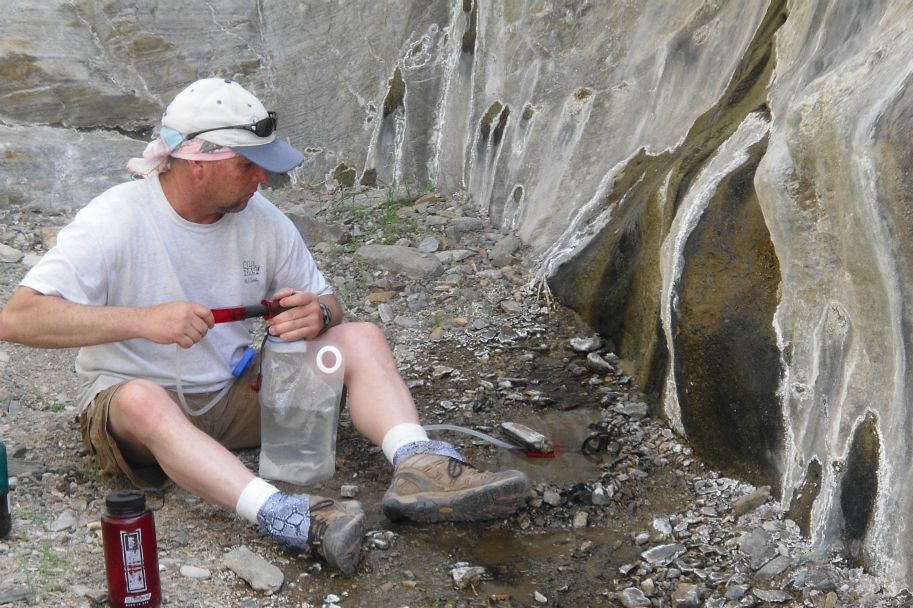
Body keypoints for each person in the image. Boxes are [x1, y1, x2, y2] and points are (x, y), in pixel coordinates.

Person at [0, 77, 531, 576]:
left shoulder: (263, 221)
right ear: (197, 161)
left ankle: (422, 467)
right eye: (248, 165)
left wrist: (320, 312)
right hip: (131, 415)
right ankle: (282, 514)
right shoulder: (114, 220)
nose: (264, 178)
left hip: (233, 396)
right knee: (143, 398)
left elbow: (328, 300)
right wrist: (143, 320)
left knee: (361, 337)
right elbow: (18, 318)